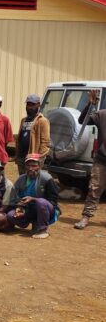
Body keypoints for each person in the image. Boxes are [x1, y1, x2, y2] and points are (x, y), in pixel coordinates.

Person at [6, 153, 60, 238]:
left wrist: (34, 199)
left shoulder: (47, 178)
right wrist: (19, 208)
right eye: (28, 165)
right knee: (10, 215)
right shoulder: (21, 179)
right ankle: (33, 222)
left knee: (41, 202)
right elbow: (14, 197)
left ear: (40, 165)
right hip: (27, 209)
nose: (30, 168)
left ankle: (43, 229)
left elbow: (53, 200)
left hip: (45, 209)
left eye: (34, 166)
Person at [75, 90, 106, 229]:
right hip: (102, 160)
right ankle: (86, 217)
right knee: (94, 189)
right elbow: (82, 121)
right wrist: (90, 105)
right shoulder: (102, 115)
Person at [16, 94, 51, 174]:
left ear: (38, 105)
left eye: (33, 105)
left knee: (33, 182)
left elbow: (45, 143)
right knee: (23, 181)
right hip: (22, 158)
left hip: (33, 160)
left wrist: (38, 159)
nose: (30, 107)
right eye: (28, 104)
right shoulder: (23, 120)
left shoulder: (42, 121)